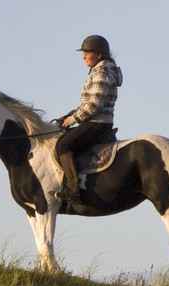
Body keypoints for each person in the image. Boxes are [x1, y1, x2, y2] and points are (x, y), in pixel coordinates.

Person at [52, 34, 124, 196]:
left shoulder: (102, 72)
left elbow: (94, 105)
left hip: (97, 122)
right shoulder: (99, 71)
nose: (84, 56)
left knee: (63, 145)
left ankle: (73, 188)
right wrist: (68, 115)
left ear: (99, 54)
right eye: (83, 53)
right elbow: (87, 103)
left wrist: (72, 120)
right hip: (96, 121)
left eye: (87, 52)